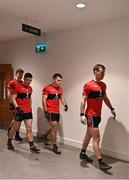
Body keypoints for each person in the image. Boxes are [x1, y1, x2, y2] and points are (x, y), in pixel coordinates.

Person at [80, 64, 116, 171]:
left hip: (98, 115)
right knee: (96, 139)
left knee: (88, 136)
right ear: (95, 72)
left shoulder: (103, 85)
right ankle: (101, 162)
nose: (104, 74)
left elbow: (105, 98)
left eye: (104, 72)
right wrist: (81, 114)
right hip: (91, 115)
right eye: (102, 72)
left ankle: (82, 153)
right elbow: (83, 100)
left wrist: (111, 108)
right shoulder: (89, 85)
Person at [7, 73, 40, 153]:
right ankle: (9, 141)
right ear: (24, 79)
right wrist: (17, 107)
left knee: (29, 128)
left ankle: (31, 145)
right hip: (19, 111)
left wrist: (30, 108)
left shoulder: (30, 88)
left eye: (30, 80)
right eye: (28, 80)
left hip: (28, 111)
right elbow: (13, 98)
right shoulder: (18, 87)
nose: (29, 82)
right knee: (15, 128)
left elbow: (29, 98)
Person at [42, 73, 68, 155]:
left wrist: (65, 105)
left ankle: (45, 135)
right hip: (50, 111)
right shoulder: (47, 88)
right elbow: (43, 100)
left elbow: (62, 97)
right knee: (54, 128)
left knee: (53, 127)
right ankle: (54, 146)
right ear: (54, 80)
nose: (60, 82)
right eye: (58, 80)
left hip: (57, 111)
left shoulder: (60, 89)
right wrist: (45, 111)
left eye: (61, 81)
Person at [7, 68, 24, 141]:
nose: (21, 75)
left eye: (22, 74)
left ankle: (13, 132)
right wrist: (10, 102)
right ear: (16, 73)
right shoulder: (12, 82)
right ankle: (13, 133)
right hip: (14, 103)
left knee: (17, 119)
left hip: (21, 104)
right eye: (19, 73)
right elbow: (9, 93)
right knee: (16, 119)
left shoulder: (23, 83)